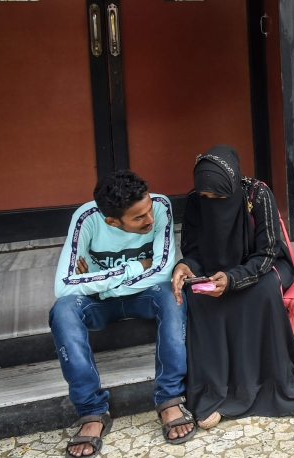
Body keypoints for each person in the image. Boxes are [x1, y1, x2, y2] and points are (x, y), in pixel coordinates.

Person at [172, 145, 294, 427]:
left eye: (219, 196)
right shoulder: (195, 201)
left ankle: (261, 386)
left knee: (260, 292)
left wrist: (233, 279)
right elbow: (192, 249)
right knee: (199, 298)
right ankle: (214, 391)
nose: (211, 201)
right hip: (216, 271)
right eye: (206, 197)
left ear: (231, 186)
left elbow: (268, 252)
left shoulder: (257, 194)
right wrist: (186, 266)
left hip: (263, 267)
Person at [50, 171, 195, 457]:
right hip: (98, 303)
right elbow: (63, 286)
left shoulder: (160, 207)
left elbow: (163, 270)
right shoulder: (87, 219)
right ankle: (91, 411)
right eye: (138, 218)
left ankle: (169, 398)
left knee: (172, 293)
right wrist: (137, 267)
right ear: (112, 221)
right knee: (63, 310)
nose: (150, 220)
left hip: (145, 296)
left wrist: (97, 280)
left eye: (148, 210)